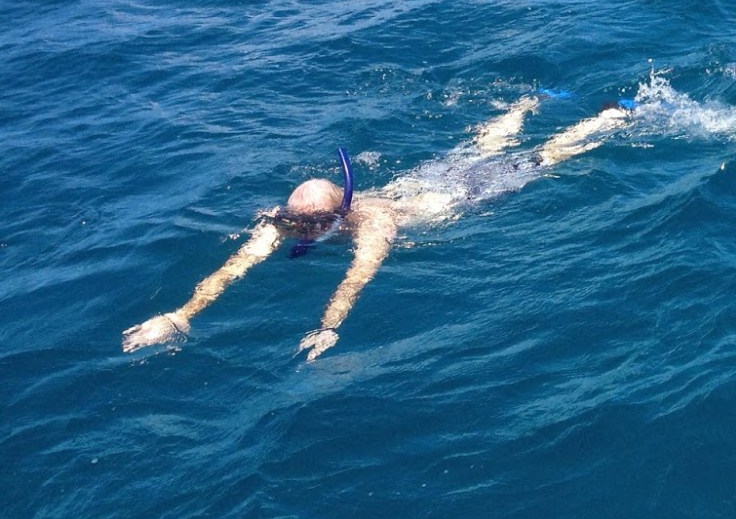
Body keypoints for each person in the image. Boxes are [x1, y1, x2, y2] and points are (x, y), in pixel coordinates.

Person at [121, 94, 635, 361]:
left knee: (542, 157)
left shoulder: (374, 223)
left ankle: (606, 120)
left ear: (331, 218)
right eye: (292, 226)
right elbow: (237, 266)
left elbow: (358, 276)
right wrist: (182, 314)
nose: (294, 235)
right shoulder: (290, 221)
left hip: (461, 194)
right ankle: (527, 104)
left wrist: (329, 327)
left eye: (305, 228)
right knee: (482, 146)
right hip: (428, 179)